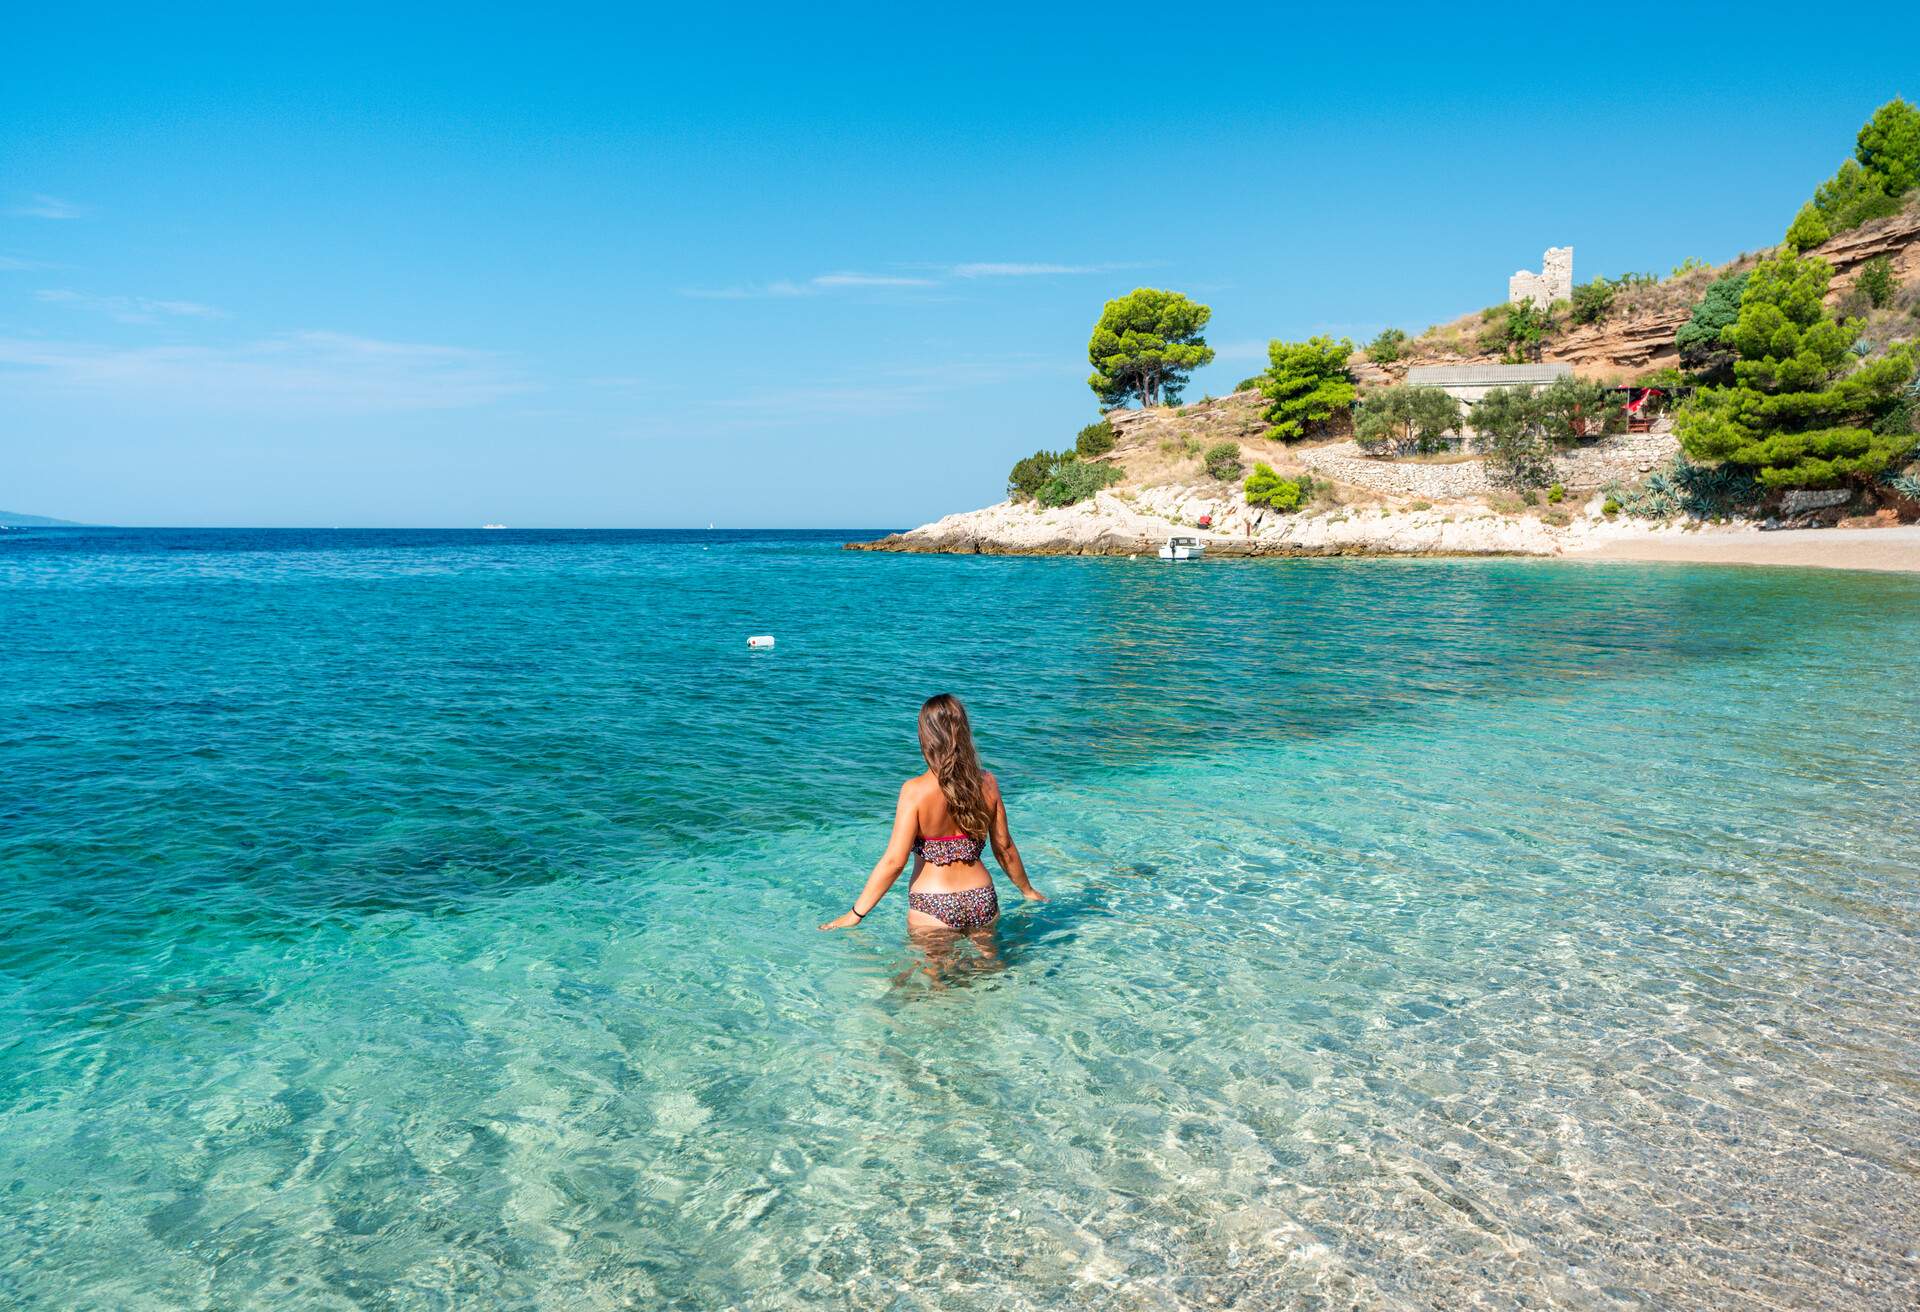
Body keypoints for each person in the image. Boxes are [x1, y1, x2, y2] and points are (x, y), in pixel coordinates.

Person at [819, 693, 1044, 934]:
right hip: (982, 897)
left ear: (926, 737)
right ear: (965, 732)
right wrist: (1027, 891)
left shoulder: (914, 791)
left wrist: (856, 914)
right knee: (990, 971)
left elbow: (895, 862)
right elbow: (1004, 847)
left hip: (932, 902)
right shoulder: (987, 782)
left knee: (927, 972)